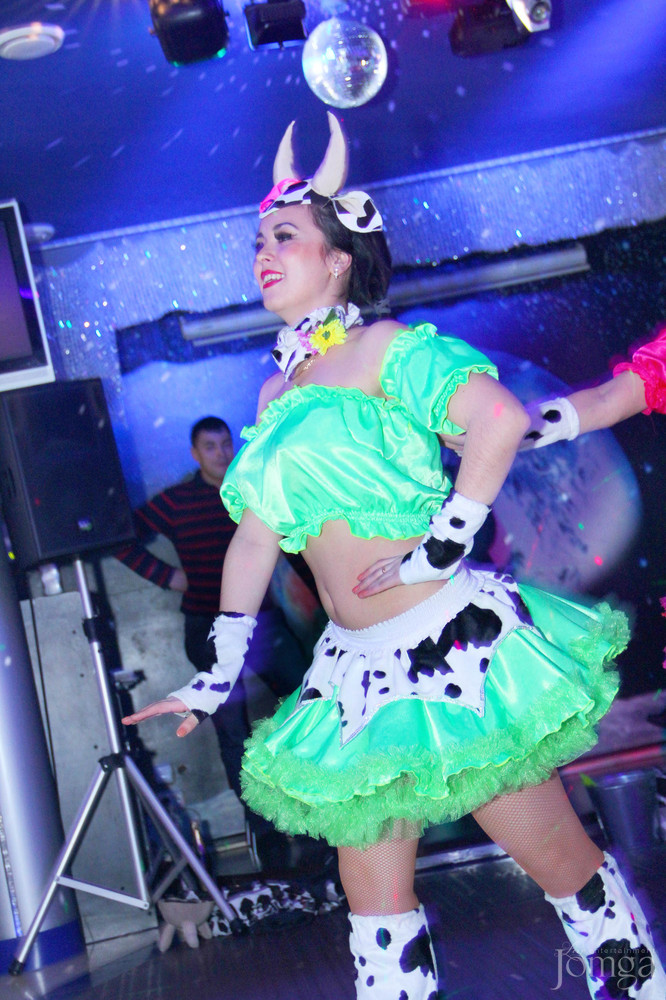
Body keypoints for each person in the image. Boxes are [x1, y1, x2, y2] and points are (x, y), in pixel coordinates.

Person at [123, 114, 666, 999]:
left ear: (338, 259)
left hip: (449, 657)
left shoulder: (384, 349)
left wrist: (437, 551)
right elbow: (256, 535)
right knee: (374, 912)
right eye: (257, 241)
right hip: (354, 678)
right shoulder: (273, 393)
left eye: (284, 237)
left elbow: (498, 420)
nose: (262, 255)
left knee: (566, 867)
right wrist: (216, 672)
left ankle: (642, 986)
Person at [115, 416, 313, 865]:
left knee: (308, 708)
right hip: (206, 626)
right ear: (194, 454)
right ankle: (264, 831)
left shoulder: (250, 492)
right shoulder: (178, 501)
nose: (222, 453)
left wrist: (326, 594)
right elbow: (119, 537)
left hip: (263, 623)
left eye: (226, 444)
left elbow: (294, 545)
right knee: (232, 732)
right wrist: (168, 577)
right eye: (211, 446)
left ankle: (318, 812)